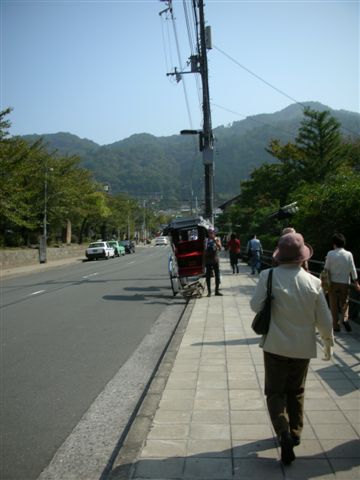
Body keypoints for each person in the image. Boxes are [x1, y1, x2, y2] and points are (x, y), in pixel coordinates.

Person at [250, 233, 334, 466]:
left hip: (275, 345)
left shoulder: (268, 276)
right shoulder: (313, 282)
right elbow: (324, 319)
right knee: (296, 390)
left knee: (275, 391)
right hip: (302, 347)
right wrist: (328, 342)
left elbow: (254, 305)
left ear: (279, 255)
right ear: (302, 257)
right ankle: (295, 433)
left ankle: (282, 430)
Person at [324, 233, 360, 332]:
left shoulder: (330, 254)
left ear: (334, 243)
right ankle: (344, 319)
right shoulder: (349, 254)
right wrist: (356, 282)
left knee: (333, 304)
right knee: (345, 302)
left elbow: (326, 269)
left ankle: (335, 326)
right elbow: (352, 269)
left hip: (333, 283)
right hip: (345, 283)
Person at [204, 229, 222, 297]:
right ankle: (209, 292)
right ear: (208, 234)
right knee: (208, 276)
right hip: (208, 260)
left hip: (215, 260)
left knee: (217, 275)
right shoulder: (206, 240)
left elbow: (220, 248)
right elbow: (204, 250)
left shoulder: (217, 239)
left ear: (214, 233)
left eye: (212, 233)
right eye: (209, 233)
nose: (211, 234)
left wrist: (215, 241)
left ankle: (216, 291)